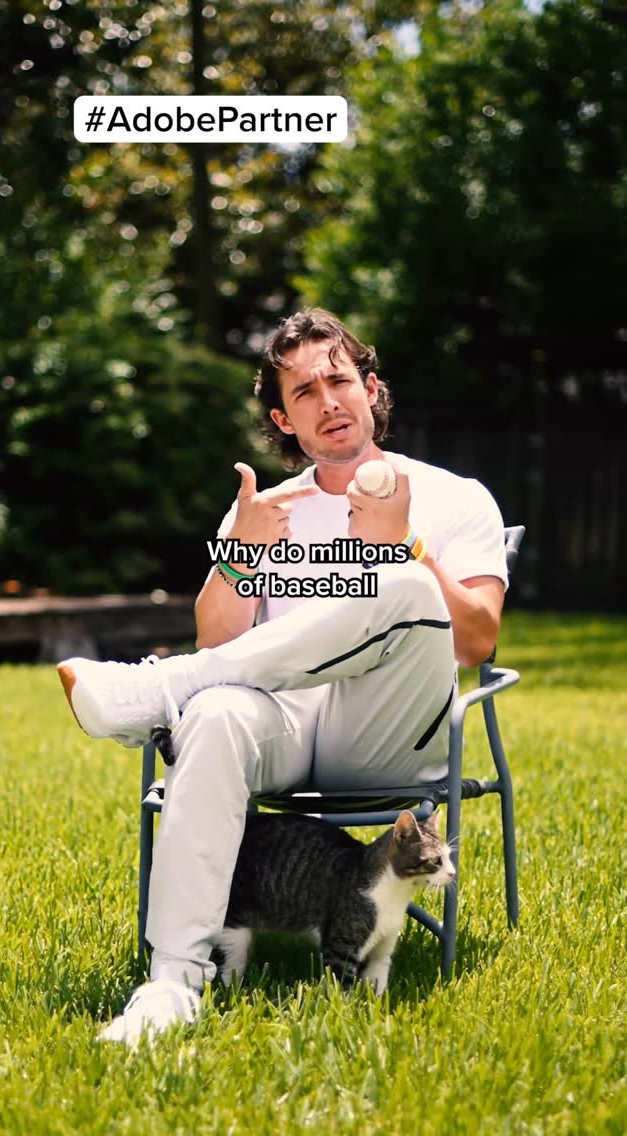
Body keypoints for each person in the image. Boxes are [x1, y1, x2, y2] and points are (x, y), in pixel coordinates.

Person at [57, 308, 507, 1046]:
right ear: (283, 420)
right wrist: (242, 552)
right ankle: (173, 981)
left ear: (370, 389)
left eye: (339, 381)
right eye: (304, 392)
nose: (328, 401)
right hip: (287, 726)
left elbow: (479, 638)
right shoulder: (267, 511)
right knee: (215, 713)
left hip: (387, 732)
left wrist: (405, 544)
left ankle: (158, 690)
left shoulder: (455, 497)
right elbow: (217, 640)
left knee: (401, 583)